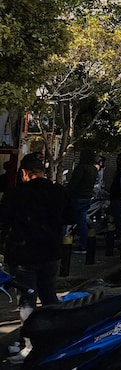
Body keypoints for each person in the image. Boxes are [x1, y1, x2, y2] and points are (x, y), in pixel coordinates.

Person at [0, 153, 75, 363]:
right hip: (51, 253)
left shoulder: (16, 193)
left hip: (23, 255)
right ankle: (55, 339)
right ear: (43, 172)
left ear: (25, 173)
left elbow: (3, 220)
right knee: (49, 296)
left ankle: (31, 345)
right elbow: (71, 217)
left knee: (27, 301)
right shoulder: (58, 191)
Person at [66, 150, 98, 253]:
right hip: (87, 197)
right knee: (81, 220)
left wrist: (67, 192)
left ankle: (67, 241)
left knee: (68, 220)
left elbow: (73, 184)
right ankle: (83, 243)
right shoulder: (93, 169)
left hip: (77, 196)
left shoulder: (81, 168)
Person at [108, 153, 121, 237]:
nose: (118, 161)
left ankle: (119, 233)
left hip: (119, 196)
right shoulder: (118, 169)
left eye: (120, 159)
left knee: (118, 217)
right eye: (118, 159)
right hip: (115, 196)